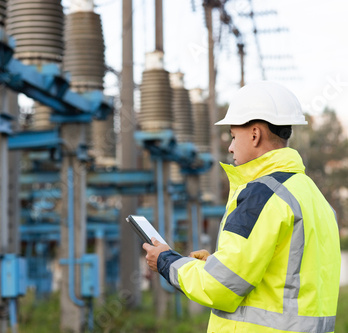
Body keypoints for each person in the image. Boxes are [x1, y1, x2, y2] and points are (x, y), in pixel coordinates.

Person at [143, 81, 341, 333]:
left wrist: (166, 261)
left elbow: (218, 287)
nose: (230, 146)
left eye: (234, 136)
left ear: (255, 134)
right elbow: (286, 276)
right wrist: (216, 261)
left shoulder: (263, 196)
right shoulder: (312, 195)